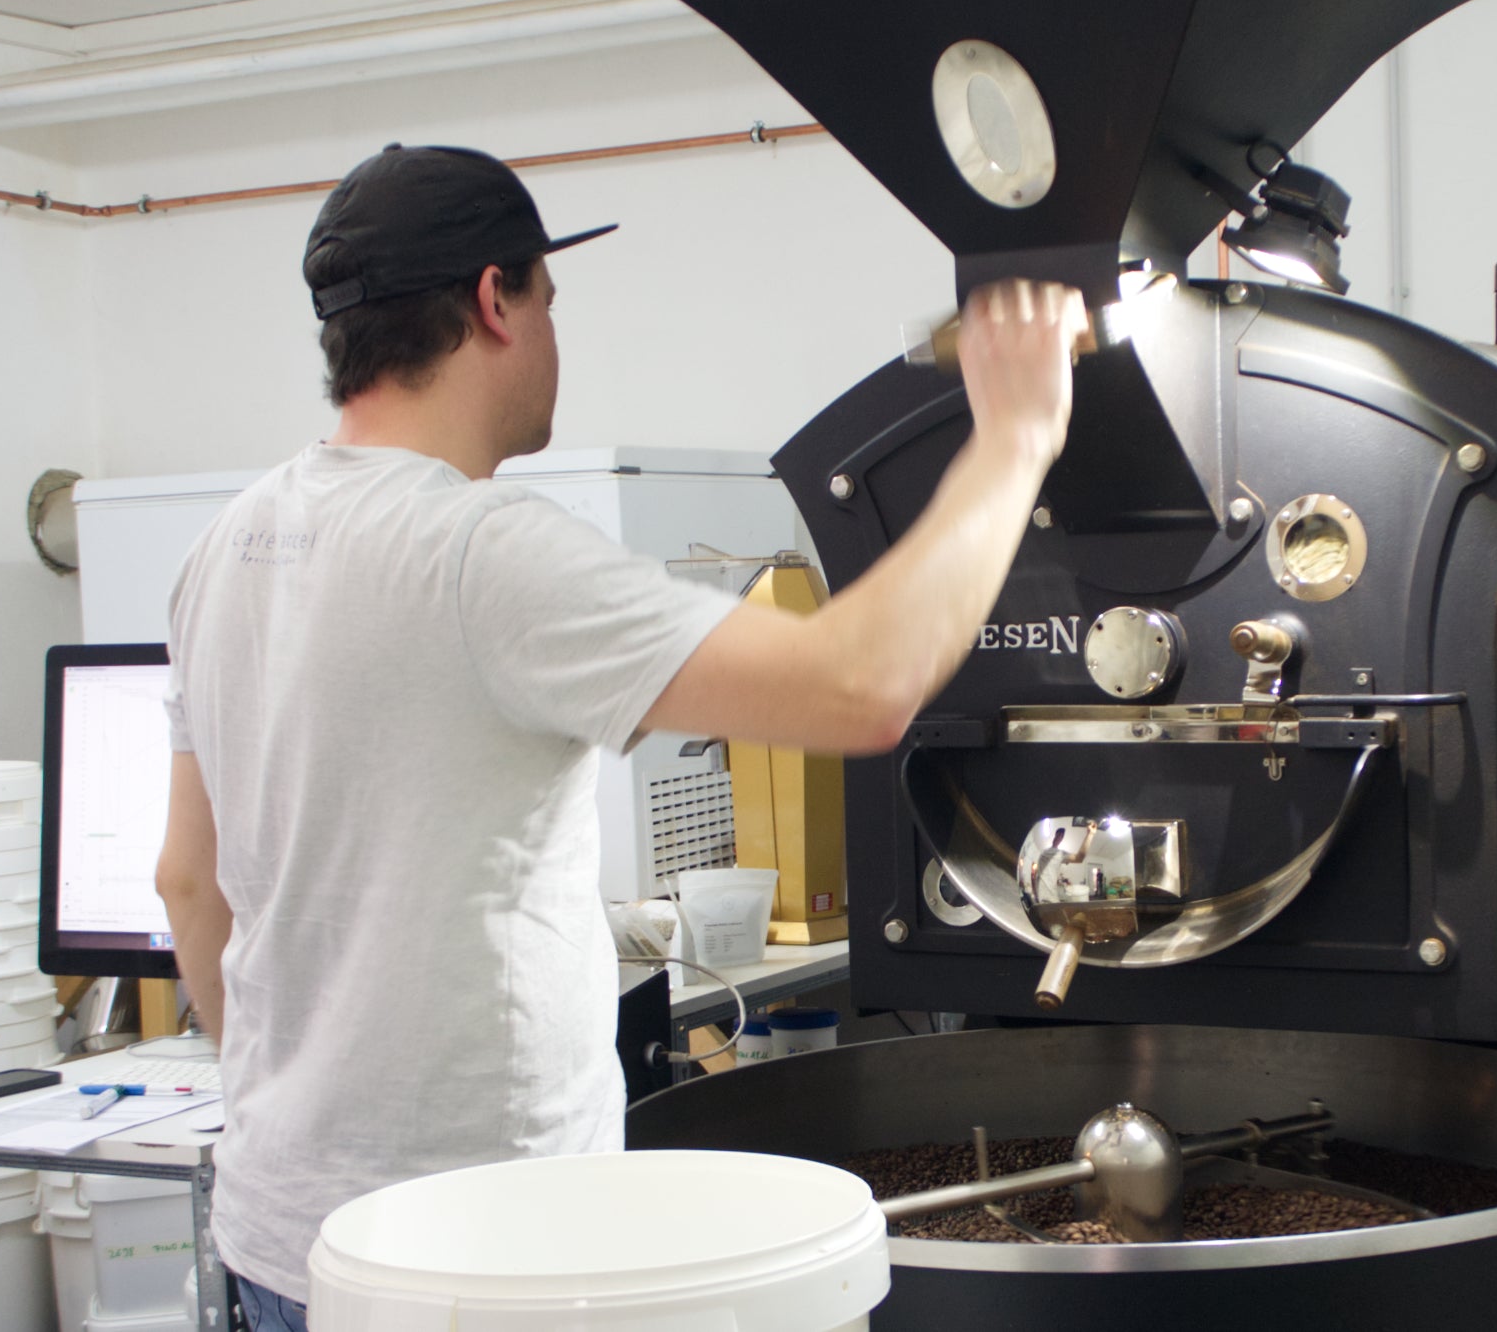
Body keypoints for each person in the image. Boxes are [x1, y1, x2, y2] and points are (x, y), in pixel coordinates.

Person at [153, 143, 1087, 1323]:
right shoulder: (479, 552)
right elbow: (866, 685)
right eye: (549, 299)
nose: (554, 335)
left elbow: (187, 882)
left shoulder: (222, 547)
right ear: (496, 299)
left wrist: (296, 1112)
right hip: (480, 1255)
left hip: (279, 1234)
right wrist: (1014, 435)